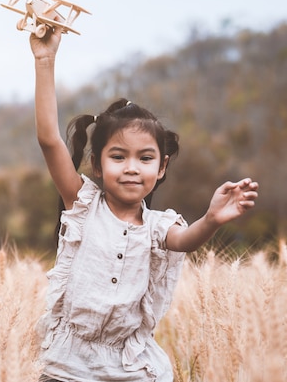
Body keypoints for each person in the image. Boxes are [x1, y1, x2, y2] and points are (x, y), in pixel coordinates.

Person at [28, 25, 259, 382]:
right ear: (98, 165)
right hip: (68, 367)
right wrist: (45, 60)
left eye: (145, 158)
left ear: (162, 166)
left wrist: (212, 218)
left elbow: (186, 241)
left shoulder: (158, 227)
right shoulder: (83, 203)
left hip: (130, 368)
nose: (132, 168)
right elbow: (49, 140)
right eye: (118, 157)